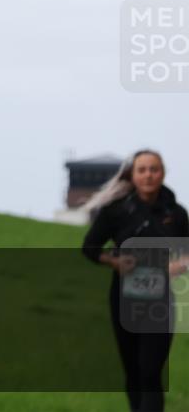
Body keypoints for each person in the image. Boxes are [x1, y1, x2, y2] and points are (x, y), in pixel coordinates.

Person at [82, 150, 189, 412]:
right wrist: (114, 262)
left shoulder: (176, 213)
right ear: (133, 175)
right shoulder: (116, 211)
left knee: (150, 372)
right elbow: (90, 247)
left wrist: (181, 264)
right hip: (123, 298)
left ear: (163, 173)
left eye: (154, 169)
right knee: (133, 372)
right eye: (142, 170)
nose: (148, 175)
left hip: (160, 301)